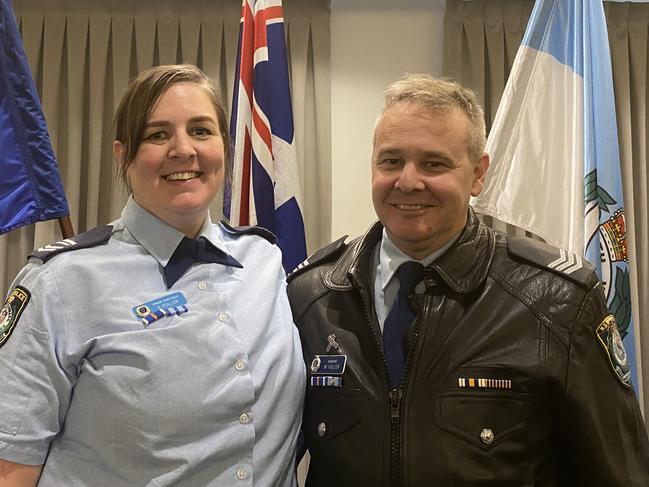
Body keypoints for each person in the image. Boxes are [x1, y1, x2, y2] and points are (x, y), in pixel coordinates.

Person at [287, 74, 649, 486]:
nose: (408, 180)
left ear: (478, 174)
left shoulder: (556, 301)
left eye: (433, 163)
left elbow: (618, 473)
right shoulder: (312, 295)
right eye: (391, 161)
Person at [0, 64, 305, 486]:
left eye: (201, 131)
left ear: (224, 145)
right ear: (123, 155)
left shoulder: (264, 259)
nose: (183, 150)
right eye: (158, 134)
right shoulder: (60, 284)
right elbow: (12, 466)